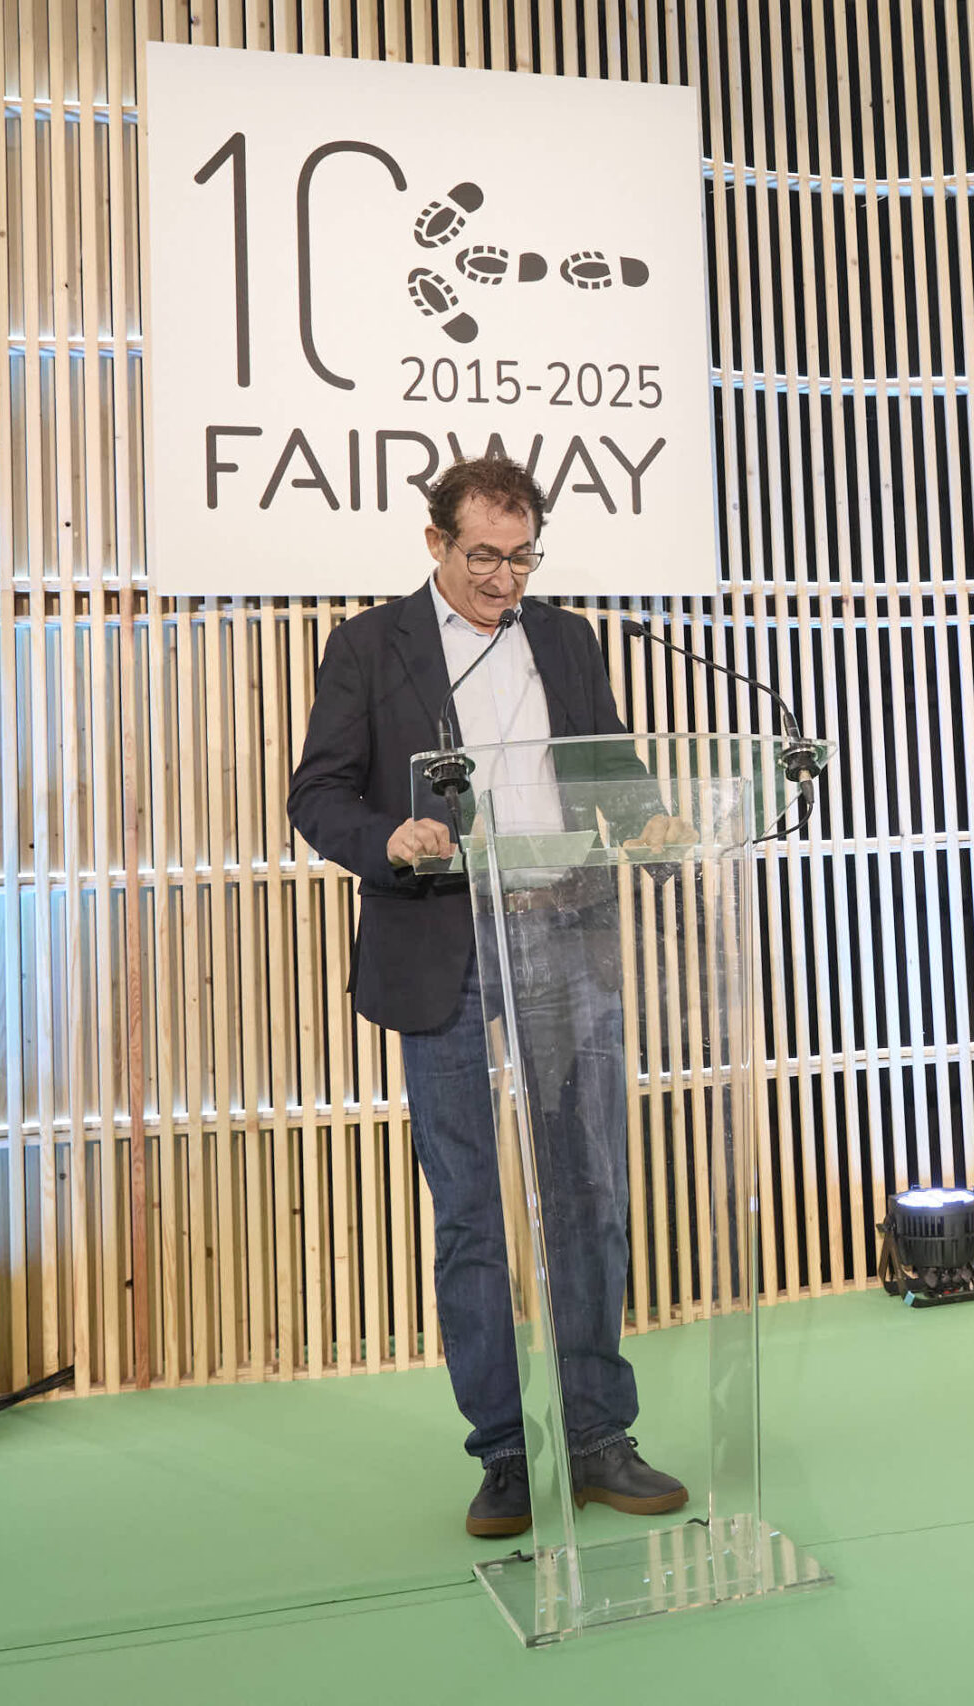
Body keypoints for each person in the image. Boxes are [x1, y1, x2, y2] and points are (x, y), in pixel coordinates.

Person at [287, 454, 694, 1538]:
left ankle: (600, 1436)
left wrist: (653, 824)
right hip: (444, 937)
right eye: (483, 556)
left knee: (591, 1192)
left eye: (521, 558)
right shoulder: (370, 646)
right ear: (436, 542)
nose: (504, 578)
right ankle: (505, 1455)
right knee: (470, 1208)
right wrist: (389, 836)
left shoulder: (566, 639)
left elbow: (610, 771)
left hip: (568, 927)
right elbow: (316, 793)